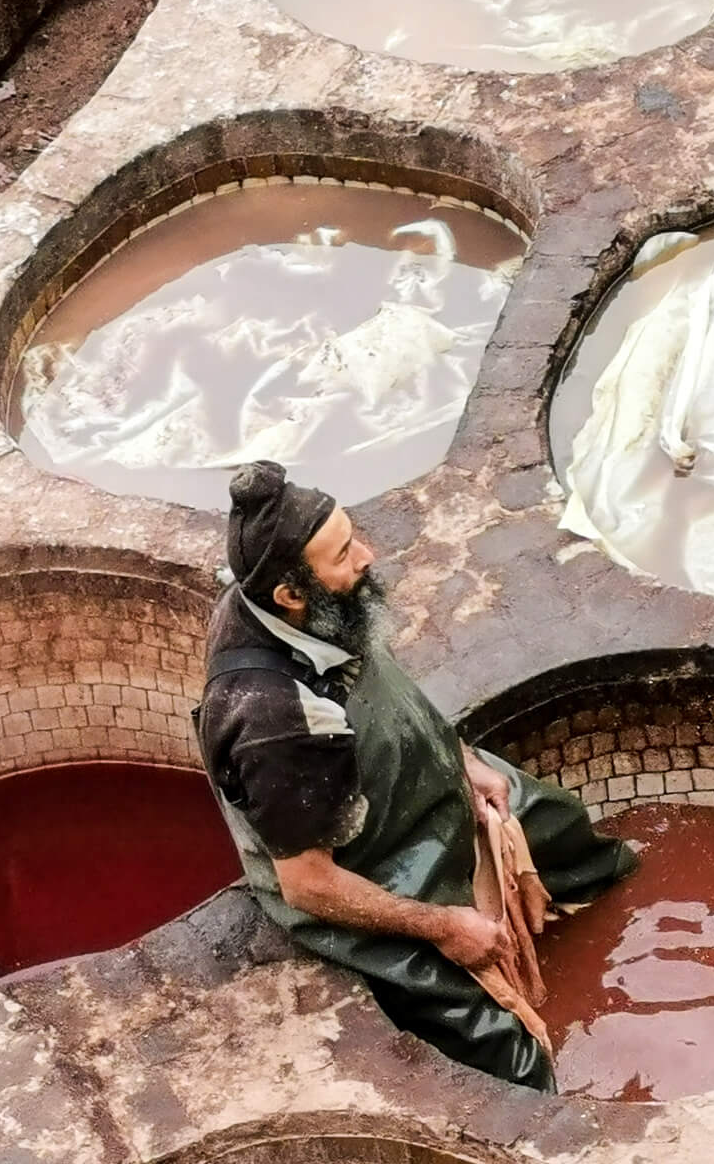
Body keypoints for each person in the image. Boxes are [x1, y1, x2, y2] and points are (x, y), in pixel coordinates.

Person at [195, 461, 637, 1091]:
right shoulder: (276, 723)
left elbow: (393, 695)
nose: (367, 555)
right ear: (291, 595)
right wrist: (445, 926)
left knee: (569, 839)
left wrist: (465, 760)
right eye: (344, 553)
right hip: (365, 865)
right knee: (499, 1046)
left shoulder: (319, 607)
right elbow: (308, 884)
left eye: (353, 536)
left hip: (418, 780)